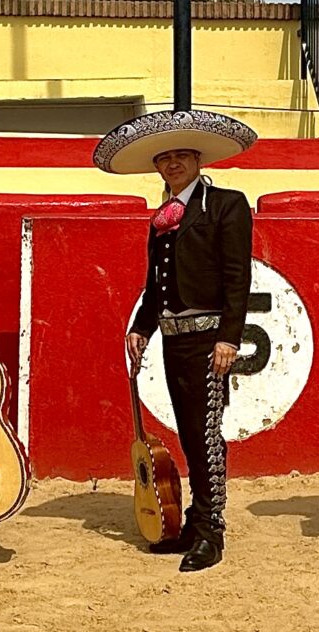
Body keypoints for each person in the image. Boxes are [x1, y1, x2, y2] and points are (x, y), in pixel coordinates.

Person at [101, 108, 258, 574]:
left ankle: (211, 531)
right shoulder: (162, 217)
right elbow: (156, 283)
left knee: (206, 435)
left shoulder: (227, 204)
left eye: (181, 157)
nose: (172, 165)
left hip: (210, 338)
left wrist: (230, 337)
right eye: (164, 159)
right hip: (173, 339)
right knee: (189, 434)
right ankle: (195, 520)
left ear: (197, 160)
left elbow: (237, 277)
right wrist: (141, 326)